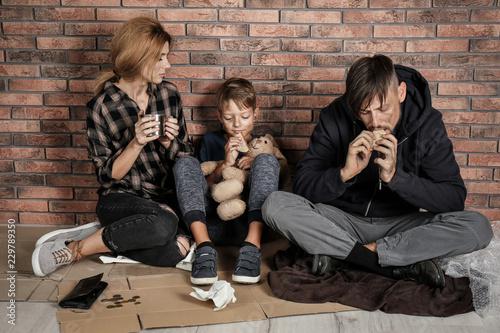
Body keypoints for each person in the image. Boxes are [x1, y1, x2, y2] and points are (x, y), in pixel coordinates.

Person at [262, 55, 493, 288]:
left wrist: (397, 178)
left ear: (401, 93)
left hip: (401, 227)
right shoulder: (334, 116)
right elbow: (302, 186)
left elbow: (453, 200)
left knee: (479, 227)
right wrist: (344, 174)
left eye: (383, 109)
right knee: (274, 204)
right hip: (341, 221)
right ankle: (394, 265)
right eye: (364, 111)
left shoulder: (429, 125)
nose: (374, 122)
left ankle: (351, 256)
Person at [32, 17, 193, 277]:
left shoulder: (169, 95)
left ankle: (109, 234)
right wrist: (136, 143)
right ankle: (77, 248)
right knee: (165, 229)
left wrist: (169, 143)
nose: (168, 65)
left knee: (183, 245)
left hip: (165, 198)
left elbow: (188, 161)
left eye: (167, 56)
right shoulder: (101, 107)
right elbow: (107, 176)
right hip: (122, 199)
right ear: (139, 58)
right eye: (161, 58)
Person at [173, 78, 287, 285]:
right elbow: (197, 189)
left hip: (249, 224)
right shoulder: (210, 141)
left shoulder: (263, 144)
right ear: (219, 116)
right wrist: (224, 165)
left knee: (267, 160)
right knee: (185, 163)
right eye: (228, 117)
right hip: (211, 223)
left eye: (244, 116)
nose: (237, 124)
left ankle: (252, 248)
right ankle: (204, 248)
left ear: (255, 113)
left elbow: (276, 192)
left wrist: (256, 163)